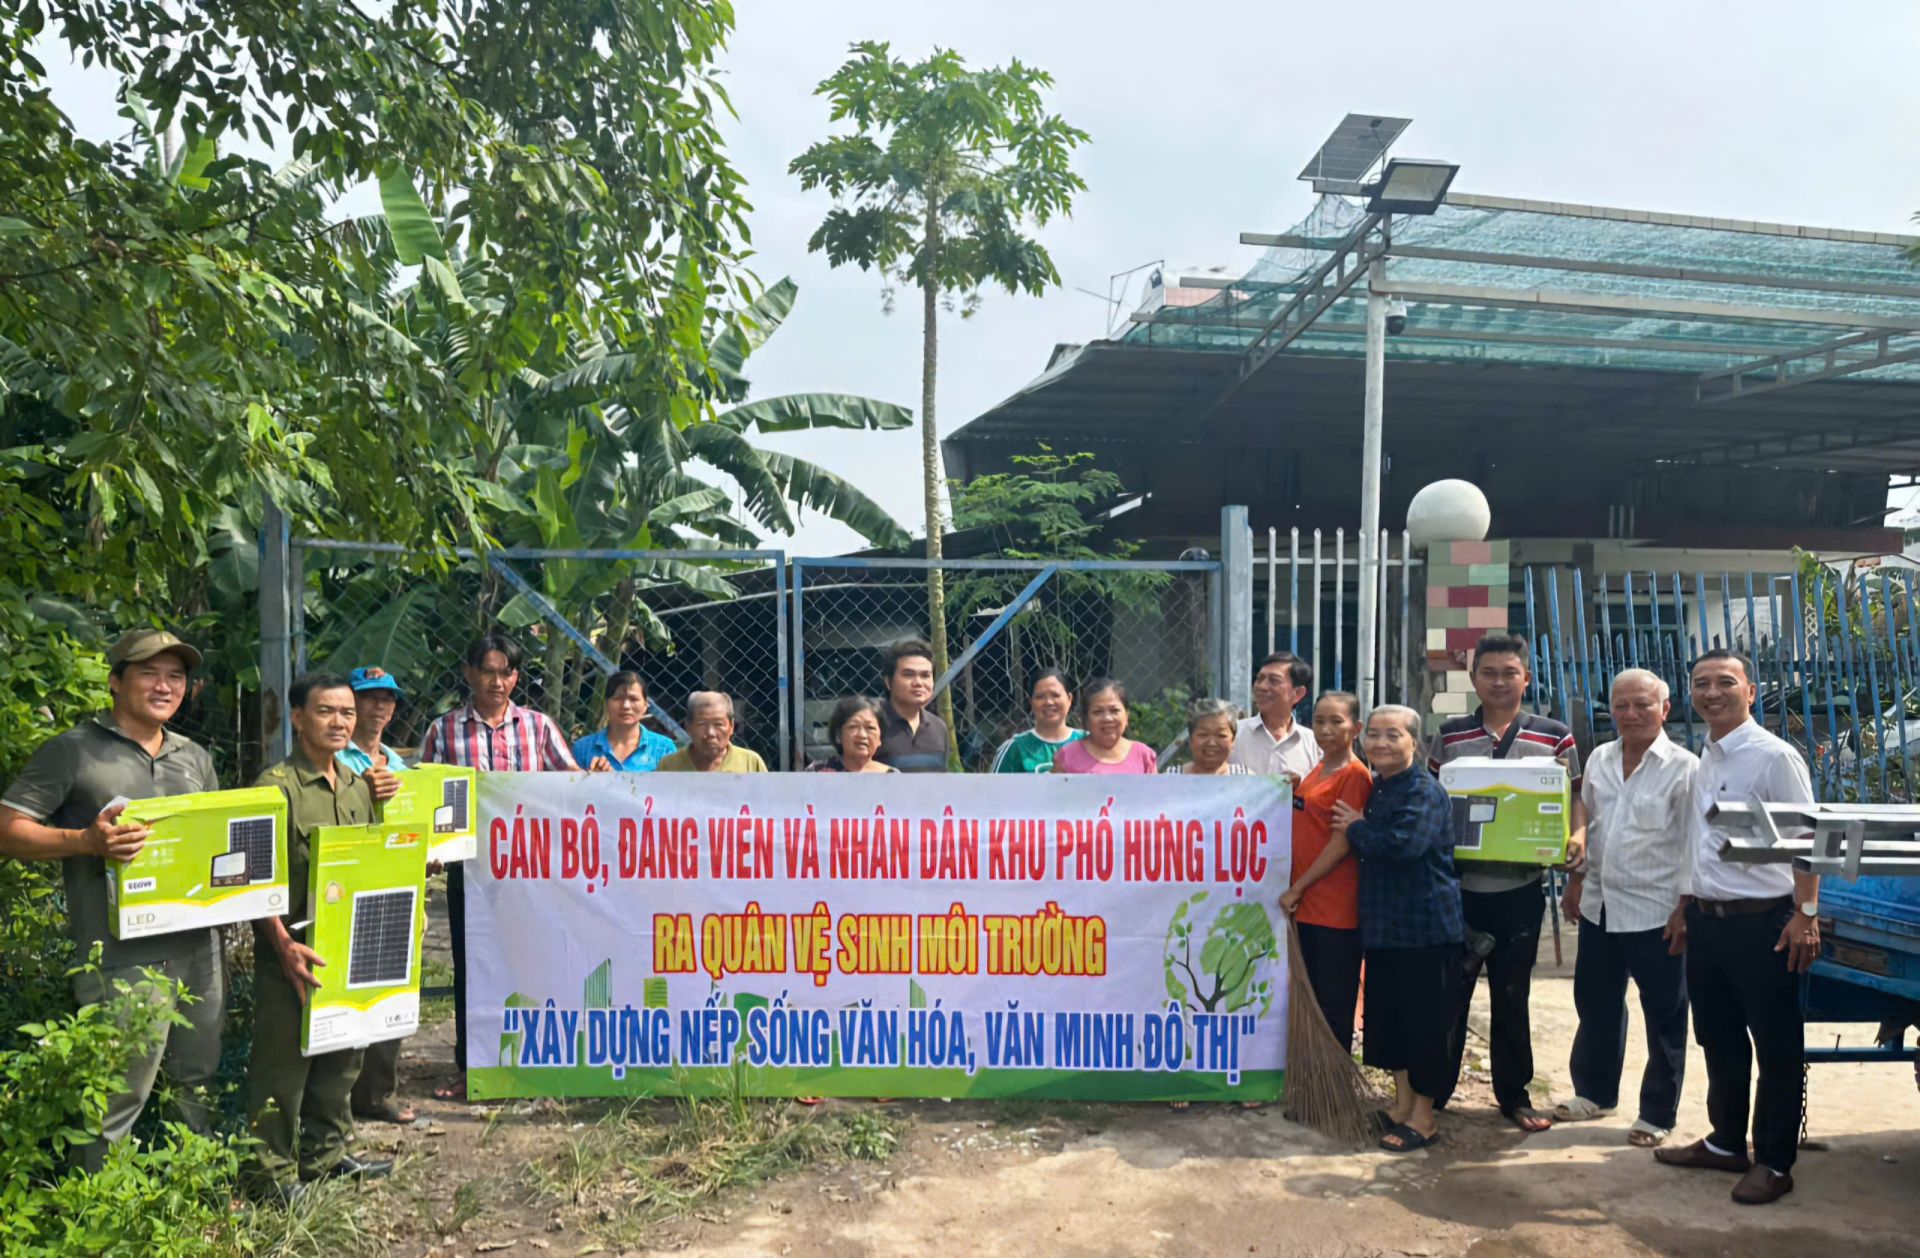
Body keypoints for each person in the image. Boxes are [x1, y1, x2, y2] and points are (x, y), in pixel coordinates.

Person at [0, 629, 222, 1171]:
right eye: (149, 673)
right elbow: (8, 829)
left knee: (196, 1081)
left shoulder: (193, 756)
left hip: (199, 948)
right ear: (116, 682)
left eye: (176, 676)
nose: (165, 686)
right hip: (120, 955)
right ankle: (95, 1199)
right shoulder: (74, 751)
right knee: (114, 1093)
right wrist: (85, 841)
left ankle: (188, 1187)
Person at [1655, 649, 1819, 1207]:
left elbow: (1807, 839)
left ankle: (1774, 1162)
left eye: (1726, 682)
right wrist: (1684, 907)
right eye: (1701, 683)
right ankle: (1726, 1142)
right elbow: (1699, 842)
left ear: (1750, 692)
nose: (1712, 693)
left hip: (1763, 925)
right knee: (1718, 1038)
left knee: (1775, 1045)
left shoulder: (1774, 757)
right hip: (1708, 923)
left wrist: (1806, 915)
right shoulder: (1709, 755)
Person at [248, 672, 401, 1201]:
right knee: (282, 1066)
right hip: (292, 948)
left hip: (350, 944)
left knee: (343, 1055)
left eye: (347, 713)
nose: (340, 722)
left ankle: (327, 1156)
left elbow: (375, 862)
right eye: (326, 711)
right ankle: (269, 1176)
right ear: (298, 718)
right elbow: (256, 880)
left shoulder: (359, 787)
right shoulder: (274, 788)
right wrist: (282, 945)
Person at [1428, 633, 1587, 1133]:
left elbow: (1576, 796)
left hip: (1521, 890)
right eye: (1489, 673)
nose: (1499, 682)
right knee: (1447, 995)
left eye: (1509, 673)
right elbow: (1432, 799)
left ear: (1527, 678)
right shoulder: (1449, 735)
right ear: (1474, 678)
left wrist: (1578, 835)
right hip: (1457, 891)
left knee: (1512, 995)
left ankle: (1514, 1095)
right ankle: (1433, 1092)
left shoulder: (1555, 735)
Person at [416, 633, 582, 1102]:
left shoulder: (538, 728)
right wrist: (430, 847)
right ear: (469, 673)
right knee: (472, 962)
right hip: (469, 867)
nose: (496, 681)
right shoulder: (444, 731)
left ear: (516, 677)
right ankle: (472, 1066)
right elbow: (426, 795)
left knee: (532, 959)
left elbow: (570, 782)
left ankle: (535, 1060)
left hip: (528, 868)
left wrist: (599, 782)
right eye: (487, 671)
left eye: (505, 672)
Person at [1554, 668, 1696, 1148]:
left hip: (1657, 910)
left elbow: (1694, 844)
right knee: (1596, 1004)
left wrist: (1684, 909)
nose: (1631, 714)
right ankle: (1594, 1093)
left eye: (1642, 705)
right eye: (1621, 705)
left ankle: (1657, 1113)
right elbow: (1589, 824)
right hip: (1600, 904)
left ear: (1664, 709)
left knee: (1665, 1014)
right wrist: (1576, 883)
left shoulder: (1684, 768)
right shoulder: (1600, 758)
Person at [1334, 704, 1463, 1154]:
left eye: (1394, 735)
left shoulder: (1422, 791)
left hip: (1424, 929)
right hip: (1386, 927)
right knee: (1392, 1022)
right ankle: (1401, 1106)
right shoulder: (1382, 787)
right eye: (1374, 734)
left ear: (1415, 742)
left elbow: (1403, 847)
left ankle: (1423, 1119)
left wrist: (1356, 828)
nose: (1381, 743)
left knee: (1424, 1025)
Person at [340, 666, 416, 1125]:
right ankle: (338, 1098)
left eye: (388, 698)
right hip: (348, 885)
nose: (380, 706)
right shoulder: (335, 758)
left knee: (393, 988)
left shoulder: (401, 765)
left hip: (397, 882)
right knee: (346, 992)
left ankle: (377, 1092)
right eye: (369, 697)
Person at [1282, 692, 1372, 1051]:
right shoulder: (1318, 770)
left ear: (1356, 728)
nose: (1326, 729)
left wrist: (1297, 888)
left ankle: (1333, 1078)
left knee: (1333, 1005)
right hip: (1308, 905)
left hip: (1335, 908)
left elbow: (1340, 844)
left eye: (1337, 721)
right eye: (1319, 721)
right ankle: (1311, 1075)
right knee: (1312, 999)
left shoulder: (1354, 775)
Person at [1229, 652, 1322, 782]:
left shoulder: (1314, 745)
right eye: (1259, 679)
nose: (1262, 687)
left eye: (1274, 681)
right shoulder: (1232, 735)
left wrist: (1300, 787)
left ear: (1298, 693)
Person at [572, 671, 676, 773]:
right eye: (618, 698)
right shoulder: (582, 749)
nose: (626, 706)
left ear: (645, 705)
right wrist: (592, 779)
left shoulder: (664, 749)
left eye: (634, 699)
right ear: (606, 704)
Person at [874, 638, 950, 773]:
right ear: (888, 682)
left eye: (925, 675)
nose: (918, 683)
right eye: (908, 675)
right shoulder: (870, 725)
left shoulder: (939, 728)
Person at [1053, 679, 1158, 775]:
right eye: (1097, 712)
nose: (1107, 718)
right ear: (1085, 718)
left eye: (1114, 711)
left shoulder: (1144, 756)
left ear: (1126, 716)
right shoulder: (1068, 757)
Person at [990, 669, 1084, 773]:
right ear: (1031, 702)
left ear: (1069, 699)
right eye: (1040, 697)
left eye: (1055, 695)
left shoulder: (1089, 743)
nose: (1049, 702)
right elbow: (997, 783)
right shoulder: (1015, 749)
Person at [657, 692, 769, 772]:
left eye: (718, 724)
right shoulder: (669, 766)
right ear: (688, 727)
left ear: (731, 727)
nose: (711, 733)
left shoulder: (751, 763)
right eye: (702, 724)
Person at [807, 697, 898, 773]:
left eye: (870, 728)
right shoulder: (817, 771)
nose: (862, 735)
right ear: (838, 735)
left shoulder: (892, 776)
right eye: (853, 727)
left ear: (880, 738)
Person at [1163, 698, 1252, 775]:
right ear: (1190, 739)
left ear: (1233, 740)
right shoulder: (1171, 779)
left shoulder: (1246, 779)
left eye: (1221, 735)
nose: (1211, 743)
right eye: (1203, 735)